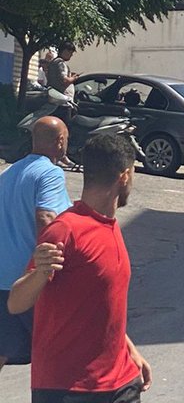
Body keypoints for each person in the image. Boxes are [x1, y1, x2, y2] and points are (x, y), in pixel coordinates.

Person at [9, 131, 152, 403]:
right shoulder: (66, 229)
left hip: (121, 382)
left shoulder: (109, 226)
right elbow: (16, 303)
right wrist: (39, 272)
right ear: (124, 176)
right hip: (70, 389)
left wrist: (129, 348)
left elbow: (101, 304)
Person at [0, 117, 72, 375]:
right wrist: (49, 271)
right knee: (58, 352)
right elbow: (46, 217)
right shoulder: (51, 172)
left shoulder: (8, 173)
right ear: (60, 141)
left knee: (2, 350)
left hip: (3, 282)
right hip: (30, 283)